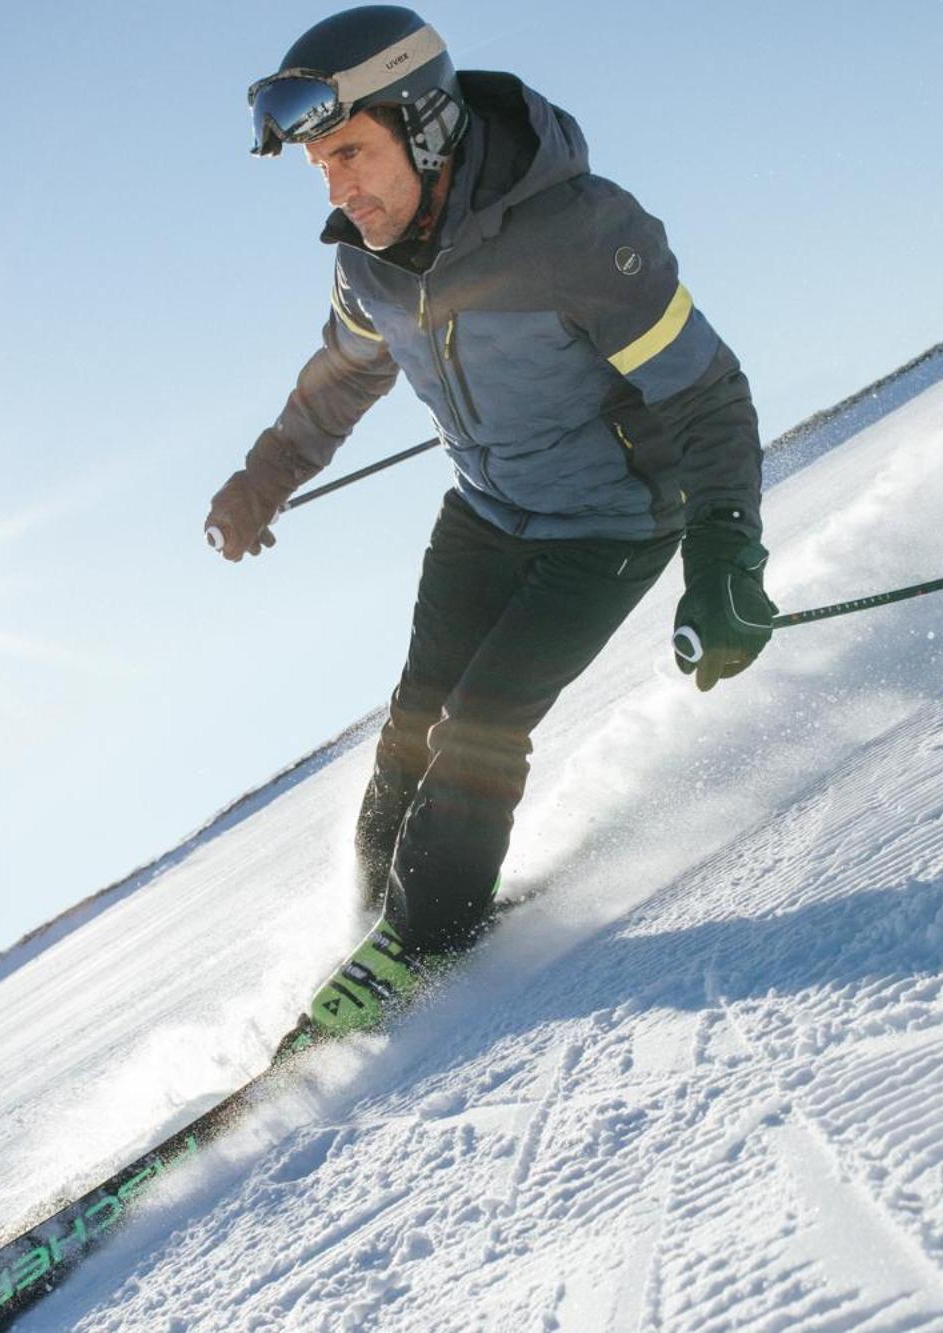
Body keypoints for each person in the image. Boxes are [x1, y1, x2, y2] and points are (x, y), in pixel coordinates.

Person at [206, 5, 775, 1038]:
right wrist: (263, 477)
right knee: (410, 730)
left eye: (349, 155)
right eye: (320, 169)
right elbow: (340, 380)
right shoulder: (365, 264)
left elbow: (705, 395)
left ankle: (427, 941)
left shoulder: (582, 233)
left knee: (477, 730)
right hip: (484, 514)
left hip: (608, 524)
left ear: (423, 125)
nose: (337, 189)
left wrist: (724, 548)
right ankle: (377, 927)